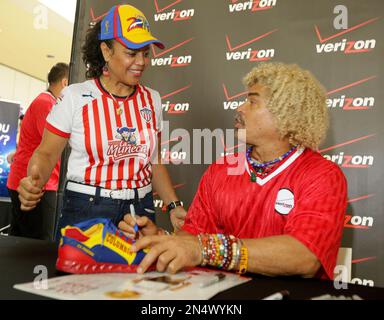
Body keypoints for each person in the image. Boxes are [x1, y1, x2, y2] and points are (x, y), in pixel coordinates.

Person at [119, 62, 348, 280]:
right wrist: (161, 239)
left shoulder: (322, 176)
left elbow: (304, 257)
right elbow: (193, 237)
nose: (240, 108)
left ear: (286, 113)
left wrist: (208, 249)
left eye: (252, 102)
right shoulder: (221, 170)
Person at [17, 4, 186, 239]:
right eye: (131, 53)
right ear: (106, 51)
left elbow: (153, 161)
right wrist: (34, 179)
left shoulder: (153, 99)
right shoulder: (74, 96)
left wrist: (174, 206)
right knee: (76, 277)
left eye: (145, 53)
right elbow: (46, 154)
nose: (141, 61)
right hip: (86, 209)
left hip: (140, 210)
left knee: (138, 277)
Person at [7, 63, 69, 240]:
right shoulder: (46, 103)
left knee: (22, 239)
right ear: (65, 82)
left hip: (31, 181)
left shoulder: (45, 101)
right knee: (37, 243)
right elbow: (51, 144)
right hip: (36, 183)